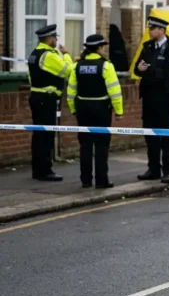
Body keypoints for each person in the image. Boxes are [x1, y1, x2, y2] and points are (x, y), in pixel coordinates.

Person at [133, 16, 169, 184]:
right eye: (149, 28)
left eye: (152, 29)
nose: (149, 31)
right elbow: (138, 69)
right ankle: (153, 169)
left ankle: (167, 170)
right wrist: (139, 69)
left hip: (167, 98)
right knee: (149, 135)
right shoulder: (147, 48)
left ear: (162, 30)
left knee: (166, 135)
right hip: (150, 98)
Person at [66, 34, 124, 189]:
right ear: (99, 48)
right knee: (101, 146)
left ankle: (85, 180)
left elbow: (71, 91)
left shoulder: (77, 66)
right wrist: (118, 111)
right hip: (101, 110)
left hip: (82, 109)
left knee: (85, 145)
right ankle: (101, 180)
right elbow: (114, 91)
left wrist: (73, 109)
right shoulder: (106, 66)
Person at [27, 24, 73, 182]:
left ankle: (37, 169)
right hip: (46, 99)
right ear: (49, 39)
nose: (56, 40)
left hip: (36, 97)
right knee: (46, 135)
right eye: (55, 38)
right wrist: (66, 55)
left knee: (39, 135)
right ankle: (45, 171)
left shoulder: (34, 54)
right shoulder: (48, 55)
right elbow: (67, 70)